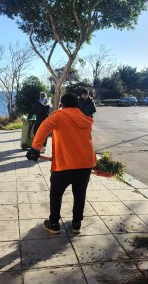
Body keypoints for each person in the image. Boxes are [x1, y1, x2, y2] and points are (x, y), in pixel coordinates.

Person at [26, 93, 97, 234]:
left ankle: (54, 223)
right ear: (77, 105)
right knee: (80, 194)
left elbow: (43, 128)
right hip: (85, 164)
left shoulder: (59, 115)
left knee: (56, 193)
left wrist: (35, 148)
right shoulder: (85, 118)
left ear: (62, 105)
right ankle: (77, 224)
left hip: (65, 164)